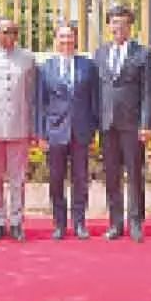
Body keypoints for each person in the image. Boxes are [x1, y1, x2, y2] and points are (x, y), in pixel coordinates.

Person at [94, 5, 151, 242]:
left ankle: (136, 222)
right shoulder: (100, 53)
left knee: (135, 174)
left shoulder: (142, 54)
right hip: (107, 124)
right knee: (111, 175)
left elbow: (148, 92)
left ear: (130, 26)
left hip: (132, 125)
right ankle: (115, 223)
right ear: (108, 26)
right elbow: (96, 91)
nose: (117, 27)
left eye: (122, 22)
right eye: (114, 22)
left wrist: (146, 124)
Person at [36, 20, 99, 240]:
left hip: (81, 131)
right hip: (55, 131)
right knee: (56, 180)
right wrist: (40, 134)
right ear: (56, 40)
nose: (66, 41)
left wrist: (94, 129)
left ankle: (79, 222)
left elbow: (94, 100)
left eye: (70, 36)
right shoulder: (45, 67)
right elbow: (40, 102)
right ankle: (59, 224)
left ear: (76, 39)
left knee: (80, 179)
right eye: (62, 36)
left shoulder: (88, 66)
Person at [0, 18, 37, 242]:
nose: (9, 35)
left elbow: (32, 95)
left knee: (17, 179)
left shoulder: (27, 58)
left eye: (13, 31)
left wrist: (33, 127)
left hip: (18, 126)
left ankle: (17, 221)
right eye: (4, 31)